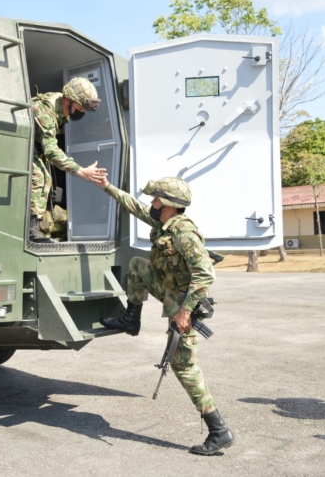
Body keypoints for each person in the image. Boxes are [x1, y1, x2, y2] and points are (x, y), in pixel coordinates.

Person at [95, 174, 235, 456]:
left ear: (169, 204)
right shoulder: (163, 224)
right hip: (171, 292)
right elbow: (133, 206)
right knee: (137, 265)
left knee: (183, 366)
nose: (153, 203)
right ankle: (131, 318)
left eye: (157, 199)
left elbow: (205, 274)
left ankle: (218, 430)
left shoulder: (183, 233)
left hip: (186, 302)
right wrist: (107, 187)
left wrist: (184, 312)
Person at [29, 77, 105, 242]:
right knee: (40, 176)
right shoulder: (46, 110)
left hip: (30, 146)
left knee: (45, 177)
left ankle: (35, 227)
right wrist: (81, 170)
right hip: (19, 144)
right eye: (79, 108)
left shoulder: (59, 105)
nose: (80, 113)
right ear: (68, 101)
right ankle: (31, 230)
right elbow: (50, 150)